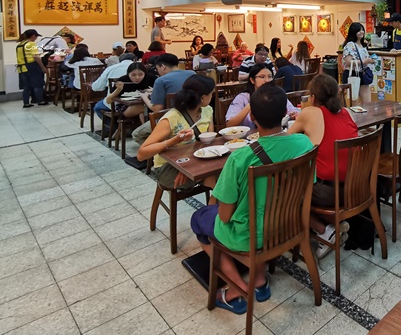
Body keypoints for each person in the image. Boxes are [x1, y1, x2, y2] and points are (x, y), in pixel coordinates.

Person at [191, 84, 314, 314]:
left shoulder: (240, 158)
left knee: (199, 219)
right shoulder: (304, 144)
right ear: (285, 113)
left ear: (252, 117)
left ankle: (238, 287)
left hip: (250, 237)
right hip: (288, 227)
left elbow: (225, 216)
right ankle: (258, 279)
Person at [288, 74, 357, 257]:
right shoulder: (347, 113)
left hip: (329, 193)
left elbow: (287, 137)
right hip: (355, 186)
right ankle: (335, 222)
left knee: (286, 189)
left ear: (312, 97)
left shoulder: (310, 112)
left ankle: (324, 230)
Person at [137, 74, 216, 190]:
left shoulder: (207, 110)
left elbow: (208, 141)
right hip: (168, 167)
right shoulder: (172, 117)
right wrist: (175, 140)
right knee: (217, 178)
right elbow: (141, 154)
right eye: (211, 93)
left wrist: (190, 166)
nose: (212, 96)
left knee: (227, 174)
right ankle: (219, 206)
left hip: (196, 160)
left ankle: (215, 206)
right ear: (203, 98)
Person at [225, 63, 299, 130]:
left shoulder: (276, 94)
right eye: (262, 77)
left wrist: (293, 114)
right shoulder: (242, 98)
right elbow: (230, 124)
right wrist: (249, 106)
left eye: (270, 76)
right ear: (252, 80)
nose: (267, 80)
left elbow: (292, 111)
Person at [341, 22, 376, 105]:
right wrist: (364, 61)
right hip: (352, 74)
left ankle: (364, 117)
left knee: (367, 103)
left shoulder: (363, 45)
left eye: (362, 30)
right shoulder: (350, 45)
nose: (361, 32)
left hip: (363, 74)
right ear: (353, 33)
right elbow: (348, 62)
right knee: (354, 103)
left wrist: (371, 60)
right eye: (358, 31)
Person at [92, 52, 138, 117]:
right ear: (135, 60)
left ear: (120, 60)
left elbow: (96, 87)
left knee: (97, 107)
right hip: (138, 102)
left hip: (114, 103)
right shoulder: (140, 69)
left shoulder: (111, 68)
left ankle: (112, 125)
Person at [16, 29, 49, 108]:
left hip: (22, 68)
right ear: (33, 36)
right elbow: (36, 57)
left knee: (26, 86)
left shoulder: (20, 45)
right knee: (38, 84)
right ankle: (40, 101)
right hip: (32, 67)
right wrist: (43, 67)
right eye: (36, 36)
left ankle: (26, 103)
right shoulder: (31, 44)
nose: (36, 38)